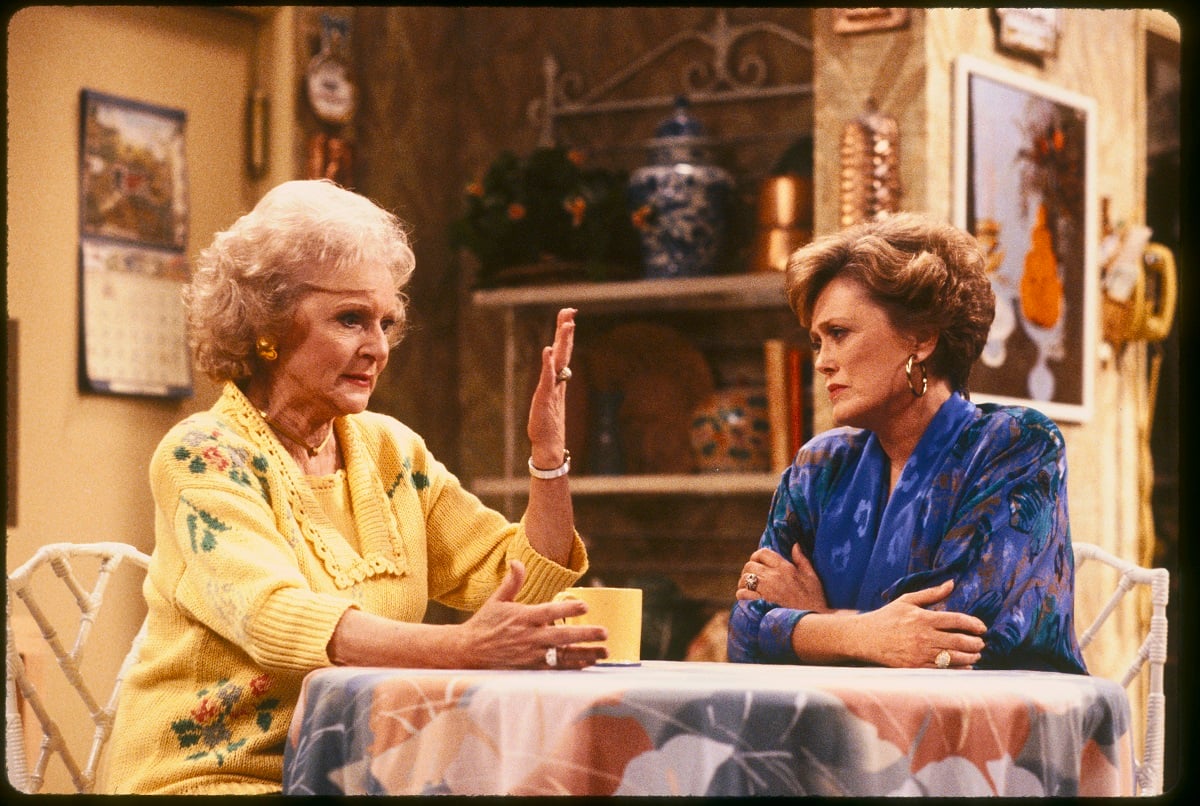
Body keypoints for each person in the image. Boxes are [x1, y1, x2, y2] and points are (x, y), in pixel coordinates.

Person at [101, 179, 605, 795]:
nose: (377, 348)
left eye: (386, 323)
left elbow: (520, 578)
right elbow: (273, 615)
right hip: (215, 777)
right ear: (269, 326)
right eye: (350, 319)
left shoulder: (391, 450)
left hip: (362, 773)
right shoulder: (203, 455)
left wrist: (547, 458)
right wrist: (462, 647)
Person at [727, 213, 1087, 674]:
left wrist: (814, 622)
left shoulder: (1015, 444)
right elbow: (743, 630)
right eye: (817, 342)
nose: (822, 362)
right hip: (846, 728)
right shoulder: (819, 465)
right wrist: (867, 634)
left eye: (838, 334)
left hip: (991, 731)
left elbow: (951, 641)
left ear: (921, 339)